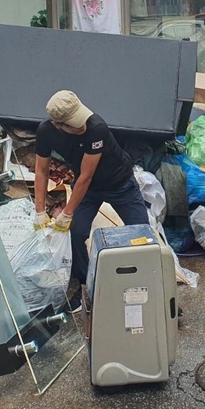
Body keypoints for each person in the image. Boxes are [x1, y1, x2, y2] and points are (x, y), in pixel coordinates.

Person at [33, 91, 149, 305]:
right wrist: (39, 211)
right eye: (73, 124)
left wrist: (66, 212)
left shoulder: (96, 128)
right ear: (58, 125)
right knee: (76, 233)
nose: (81, 125)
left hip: (120, 184)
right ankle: (86, 285)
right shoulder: (46, 131)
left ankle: (152, 288)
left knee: (143, 235)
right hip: (88, 192)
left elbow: (86, 176)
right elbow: (41, 171)